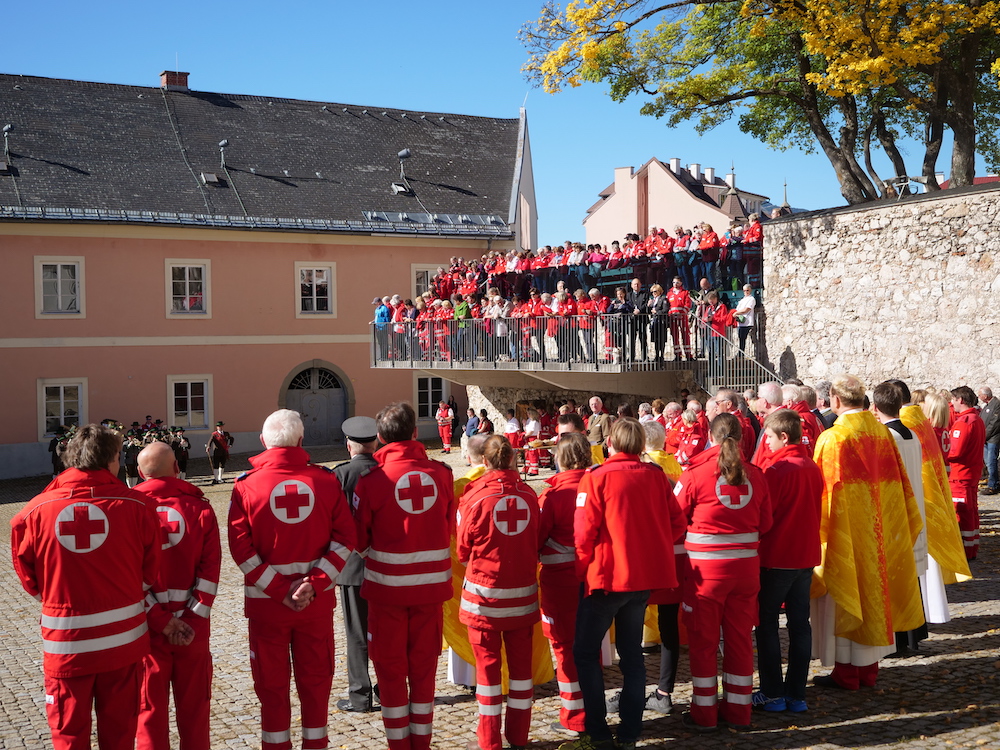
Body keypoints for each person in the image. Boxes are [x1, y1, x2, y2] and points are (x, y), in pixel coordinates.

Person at [11, 424, 165, 750]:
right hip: (123, 643)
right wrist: (121, 592)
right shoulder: (139, 507)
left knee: (68, 737)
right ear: (112, 459)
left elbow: (29, 578)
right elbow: (150, 573)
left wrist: (58, 598)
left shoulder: (33, 512)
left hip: (66, 647)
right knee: (121, 736)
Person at [228, 409, 357, 750]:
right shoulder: (326, 481)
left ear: (262, 443)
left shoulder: (245, 486)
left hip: (266, 608)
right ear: (302, 441)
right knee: (316, 686)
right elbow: (346, 540)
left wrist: (280, 591)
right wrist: (312, 584)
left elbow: (241, 551)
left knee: (271, 689)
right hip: (314, 606)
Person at [565, 418, 684, 750]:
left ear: (611, 444)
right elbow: (677, 522)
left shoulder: (597, 478)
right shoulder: (656, 477)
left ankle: (599, 729)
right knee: (632, 654)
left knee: (586, 652)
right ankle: (630, 730)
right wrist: (653, 547)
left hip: (605, 578)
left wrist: (582, 570)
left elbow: (583, 533)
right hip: (641, 580)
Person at [810, 375, 924, 691]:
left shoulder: (833, 439)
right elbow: (899, 489)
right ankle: (868, 671)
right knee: (874, 595)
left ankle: (846, 674)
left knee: (846, 598)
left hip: (845, 533)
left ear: (834, 401)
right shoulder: (882, 435)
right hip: (881, 532)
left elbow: (820, 493)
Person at [353, 402, 456, 750]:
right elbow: (448, 526)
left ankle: (398, 744)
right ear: (414, 433)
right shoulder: (442, 473)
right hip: (431, 591)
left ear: (380, 438)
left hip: (386, 594)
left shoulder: (372, 480)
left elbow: (358, 539)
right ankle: (422, 744)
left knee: (390, 671)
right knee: (425, 671)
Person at [676, 413, 772, 731]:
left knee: (703, 643)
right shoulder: (756, 475)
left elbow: (673, 518)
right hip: (745, 572)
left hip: (705, 575)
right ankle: (739, 711)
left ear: (709, 435)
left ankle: (704, 713)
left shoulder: (695, 473)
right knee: (740, 640)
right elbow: (766, 523)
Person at [136, 441, 221, 750]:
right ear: (176, 468)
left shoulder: (128, 511)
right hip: (192, 630)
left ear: (140, 473)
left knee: (148, 713)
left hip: (146, 630)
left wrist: (161, 620)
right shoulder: (200, 508)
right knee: (196, 712)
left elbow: (129, 577)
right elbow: (211, 572)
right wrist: (190, 620)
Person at [458, 435, 540, 750]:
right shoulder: (531, 495)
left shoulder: (474, 497)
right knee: (521, 674)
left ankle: (489, 741)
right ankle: (518, 736)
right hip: (521, 599)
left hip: (484, 601)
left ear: (486, 461)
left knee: (488, 674)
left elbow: (464, 551)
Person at [753, 409, 822, 714]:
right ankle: (796, 692)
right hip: (804, 556)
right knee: (799, 625)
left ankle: (772, 691)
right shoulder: (811, 466)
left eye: (768, 437)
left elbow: (764, 517)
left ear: (783, 437)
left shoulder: (778, 470)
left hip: (778, 555)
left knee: (767, 625)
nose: (765, 443)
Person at [537, 434, 591, 736]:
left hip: (560, 582)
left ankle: (575, 716)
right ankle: (593, 710)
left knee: (564, 647)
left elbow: (536, 539)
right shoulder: (600, 487)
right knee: (590, 645)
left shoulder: (552, 497)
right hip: (596, 578)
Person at [333, 417, 381, 714]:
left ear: (349, 444)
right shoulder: (385, 472)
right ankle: (388, 689)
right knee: (386, 633)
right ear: (375, 443)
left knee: (357, 634)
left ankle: (360, 696)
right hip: (386, 564)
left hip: (352, 566)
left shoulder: (340, 475)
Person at [948, 386, 985, 559]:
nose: (952, 403)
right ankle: (972, 546)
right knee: (971, 511)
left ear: (960, 400)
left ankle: (966, 550)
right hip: (971, 473)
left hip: (960, 475)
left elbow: (955, 452)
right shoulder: (977, 419)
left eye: (953, 400)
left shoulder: (963, 422)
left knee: (962, 513)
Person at [978, 387, 1000, 495]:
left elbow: (994, 424)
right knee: (988, 462)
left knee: (991, 462)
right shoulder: (986, 406)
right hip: (986, 439)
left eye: (980, 395)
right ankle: (992, 482)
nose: (979, 397)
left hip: (992, 438)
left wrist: (984, 435)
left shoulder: (996, 405)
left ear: (985, 396)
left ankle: (993, 485)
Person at [666, 277, 693, 361]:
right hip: (673, 318)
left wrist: (682, 313)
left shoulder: (685, 293)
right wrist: (670, 314)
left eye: (677, 282)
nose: (675, 284)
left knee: (685, 335)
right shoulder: (669, 293)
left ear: (681, 283)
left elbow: (688, 305)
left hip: (682, 317)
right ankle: (677, 354)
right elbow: (667, 306)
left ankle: (688, 355)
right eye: (673, 282)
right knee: (674, 336)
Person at [625, 278, 649, 362]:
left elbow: (646, 304)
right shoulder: (628, 295)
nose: (636, 285)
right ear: (631, 285)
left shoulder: (645, 294)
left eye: (638, 284)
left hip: (642, 319)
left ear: (640, 285)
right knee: (632, 339)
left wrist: (639, 310)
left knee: (643, 339)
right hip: (631, 320)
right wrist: (632, 311)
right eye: (635, 284)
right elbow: (626, 305)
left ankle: (645, 357)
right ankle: (631, 357)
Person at [733, 284, 756, 356]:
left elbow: (747, 309)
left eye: (747, 290)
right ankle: (740, 353)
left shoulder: (751, 299)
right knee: (740, 338)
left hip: (747, 322)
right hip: (741, 322)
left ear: (750, 290)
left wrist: (737, 313)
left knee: (742, 338)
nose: (746, 292)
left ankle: (741, 353)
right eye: (744, 290)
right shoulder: (742, 300)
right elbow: (738, 309)